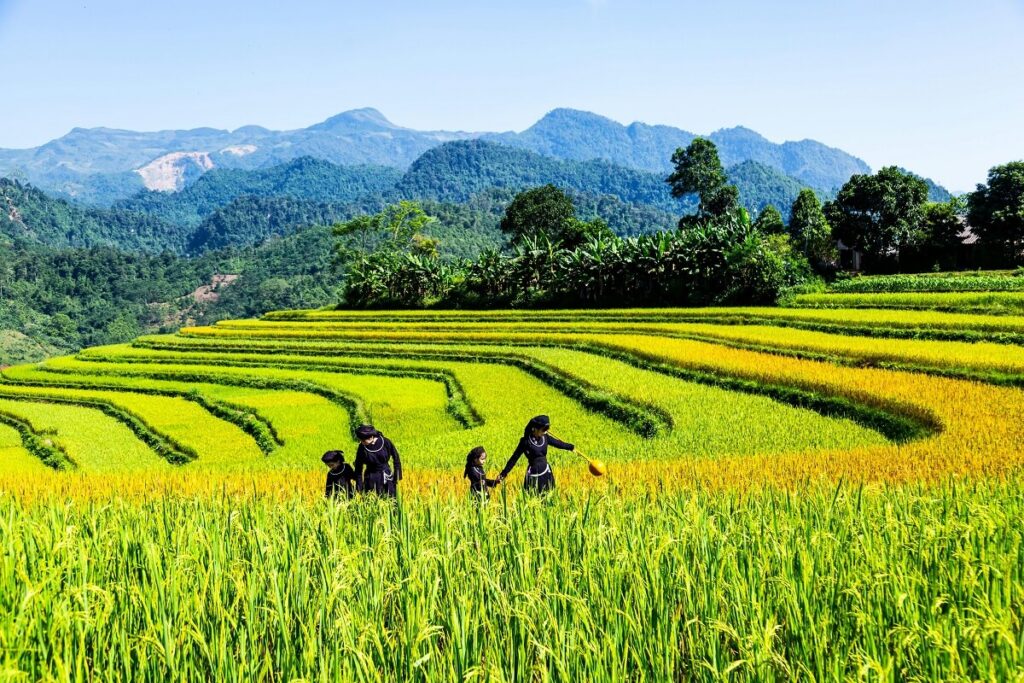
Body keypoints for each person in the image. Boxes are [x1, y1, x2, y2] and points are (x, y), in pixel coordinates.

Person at [498, 415, 574, 494]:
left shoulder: (545, 437)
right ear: (535, 428)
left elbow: (559, 444)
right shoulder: (525, 442)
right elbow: (514, 458)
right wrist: (503, 474)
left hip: (546, 473)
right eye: (543, 429)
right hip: (534, 475)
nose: (545, 432)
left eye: (547, 429)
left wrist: (571, 447)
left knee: (549, 497)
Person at [353, 424, 402, 497]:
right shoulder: (362, 448)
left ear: (371, 437)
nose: (361, 442)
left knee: (390, 497)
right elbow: (358, 466)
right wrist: (359, 484)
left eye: (363, 440)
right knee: (372, 499)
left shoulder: (386, 442)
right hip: (370, 477)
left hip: (386, 475)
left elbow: (396, 458)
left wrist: (397, 475)